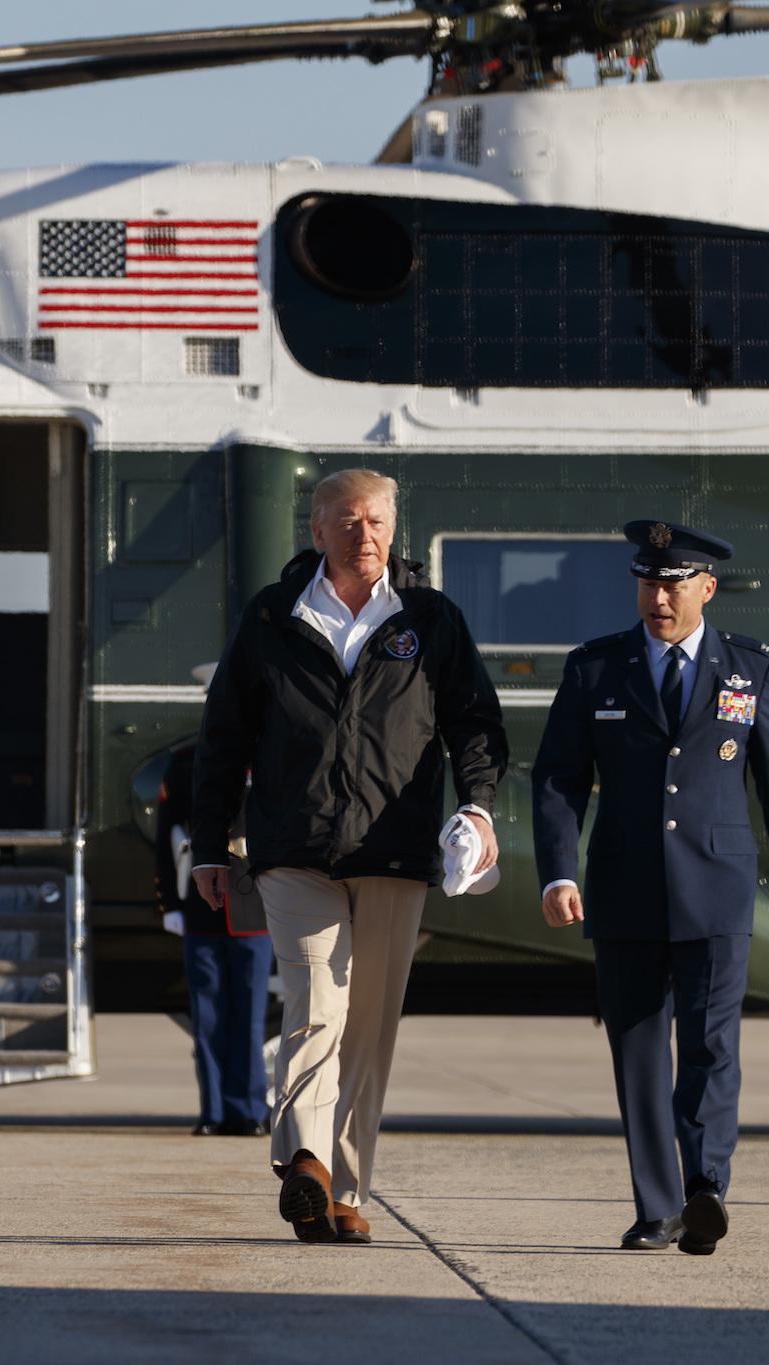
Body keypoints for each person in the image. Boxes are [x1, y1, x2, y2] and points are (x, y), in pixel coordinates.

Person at [192, 468, 507, 1245]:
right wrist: (207, 844)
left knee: (368, 1024)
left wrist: (477, 804)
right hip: (293, 848)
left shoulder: (431, 619)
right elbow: (223, 735)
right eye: (344, 519)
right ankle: (307, 1162)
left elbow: (474, 723)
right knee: (313, 1006)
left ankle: (344, 1185)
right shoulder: (272, 616)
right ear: (316, 529)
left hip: (394, 850)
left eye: (373, 521)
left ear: (392, 530)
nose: (360, 534)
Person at [532, 520, 769, 1254]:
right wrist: (559, 871)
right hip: (624, 889)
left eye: (674, 583)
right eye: (648, 581)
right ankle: (657, 1208)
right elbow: (559, 778)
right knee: (638, 1055)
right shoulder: (595, 668)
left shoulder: (747, 667)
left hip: (718, 887)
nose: (658, 597)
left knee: (711, 1047)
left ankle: (704, 1188)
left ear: (706, 588)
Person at [155, 743, 273, 1138]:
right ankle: (214, 1110)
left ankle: (250, 1109)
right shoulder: (187, 760)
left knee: (250, 1019)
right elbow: (166, 835)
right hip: (202, 909)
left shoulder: (271, 754)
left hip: (255, 908)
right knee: (208, 1018)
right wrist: (170, 903)